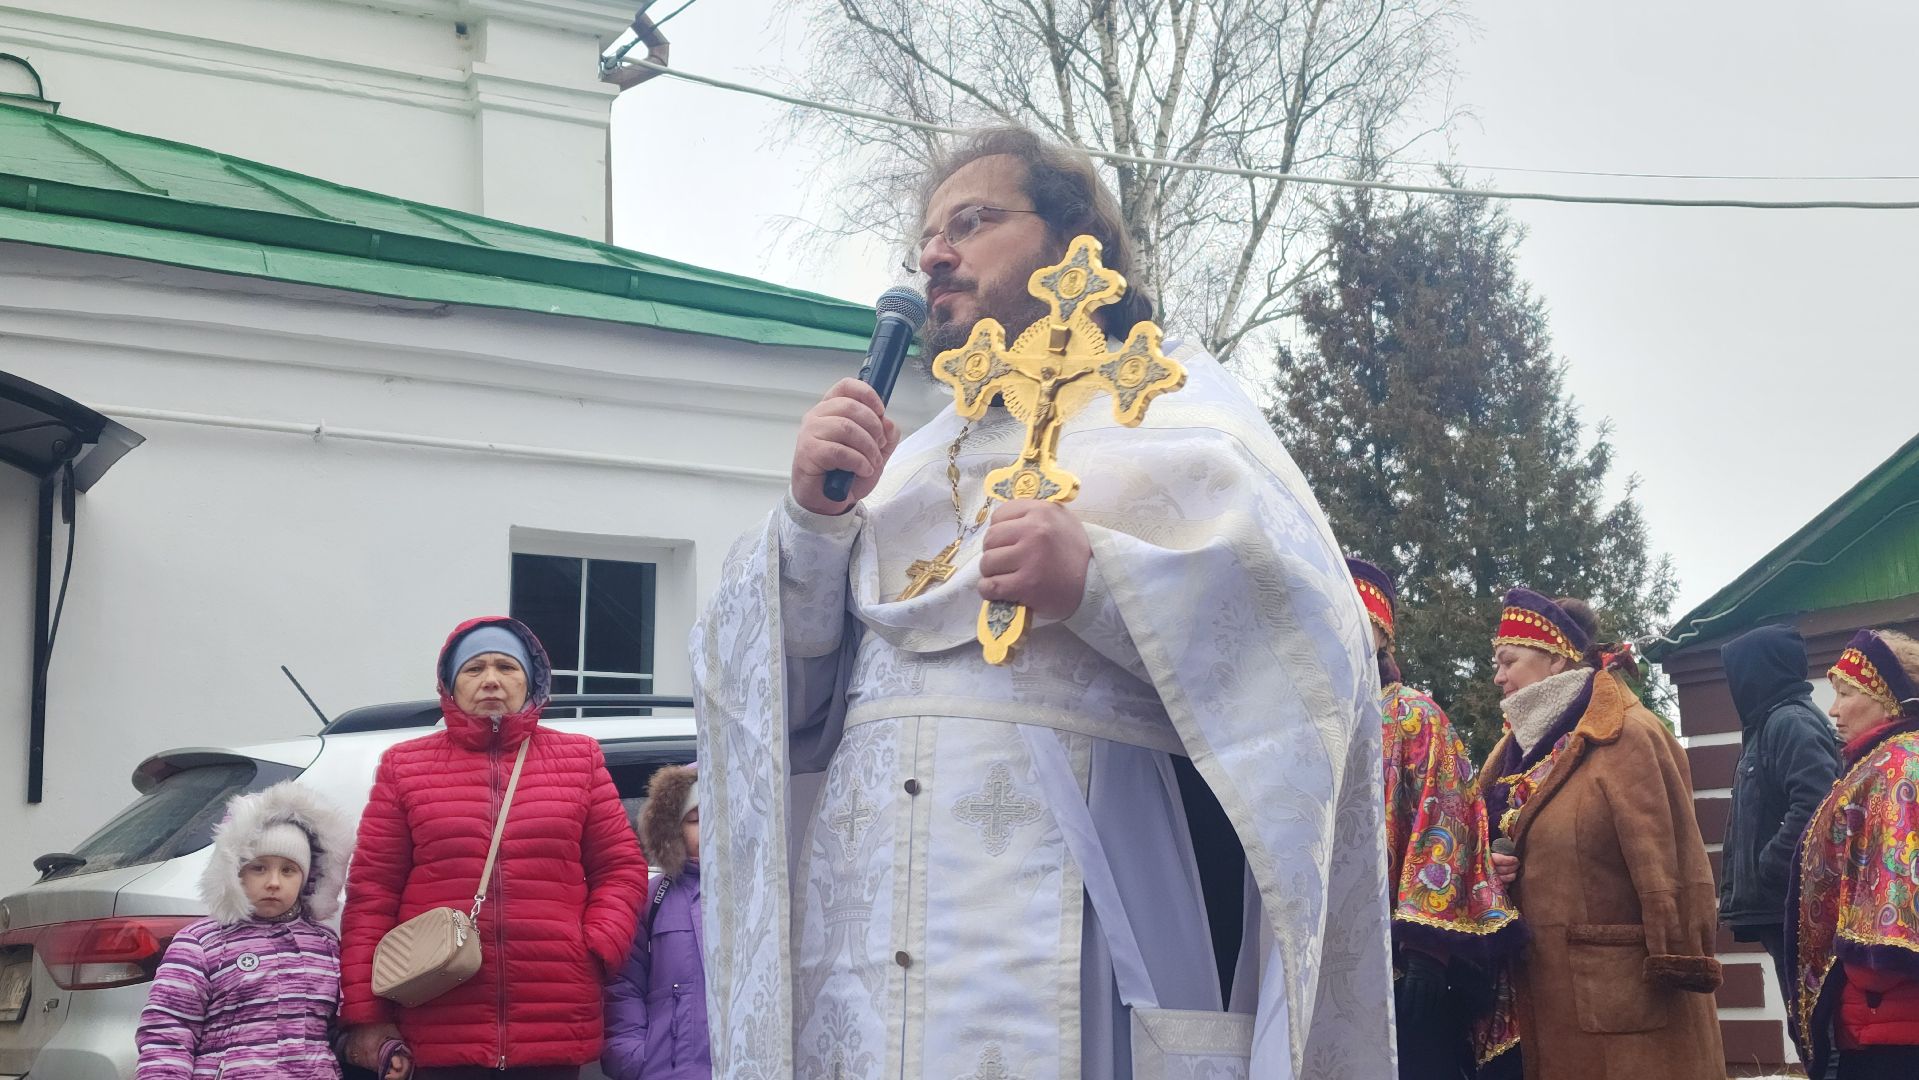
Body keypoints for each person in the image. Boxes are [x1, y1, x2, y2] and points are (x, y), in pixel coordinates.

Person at [693, 125, 1391, 1079]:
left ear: (1075, 246)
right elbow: (790, 709)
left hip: (1071, 909)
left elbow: (1308, 646)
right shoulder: (905, 466)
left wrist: (1101, 584)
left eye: (971, 223)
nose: (935, 254)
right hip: (864, 933)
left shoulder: (1174, 415)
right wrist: (812, 531)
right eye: (926, 240)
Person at [338, 617, 650, 1080]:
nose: (490, 679)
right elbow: (372, 894)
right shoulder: (404, 768)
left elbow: (621, 867)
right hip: (437, 1013)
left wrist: (595, 946)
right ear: (449, 684)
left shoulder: (580, 759)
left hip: (552, 1013)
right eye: (474, 668)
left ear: (531, 681)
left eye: (506, 666)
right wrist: (367, 1015)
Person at [1478, 588, 1724, 1080]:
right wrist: (1488, 865)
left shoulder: (1629, 734)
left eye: (1508, 660)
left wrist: (1680, 956)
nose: (1498, 675)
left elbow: (1671, 863)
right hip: (1530, 992)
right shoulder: (1508, 753)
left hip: (1621, 999)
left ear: (1553, 659)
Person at [1348, 558, 1521, 1080]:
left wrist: (1427, 949)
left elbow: (1449, 821)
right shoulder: (1307, 720)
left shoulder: (1412, 716)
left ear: (1379, 634)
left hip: (1402, 959)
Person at [136, 781, 391, 1078]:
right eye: (259, 868)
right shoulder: (201, 944)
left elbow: (329, 1032)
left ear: (307, 879)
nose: (273, 882)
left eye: (288, 870)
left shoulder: (324, 945)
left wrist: (377, 1052)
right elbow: (168, 1032)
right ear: (235, 871)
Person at [1787, 628, 1919, 1080]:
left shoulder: (1895, 766)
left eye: (1846, 693)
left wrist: (1863, 980)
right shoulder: (1880, 761)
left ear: (1888, 699)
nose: (1833, 709)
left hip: (1887, 1008)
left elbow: (1895, 891)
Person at [1717, 624, 1841, 998]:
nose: (1733, 683)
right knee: (1804, 1022)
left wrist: (1773, 864)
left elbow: (1818, 801)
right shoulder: (1769, 723)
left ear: (1758, 670)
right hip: (1780, 904)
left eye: (1737, 671)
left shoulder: (1790, 723)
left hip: (1795, 904)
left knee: (1814, 1024)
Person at [602, 762, 709, 1080]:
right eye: (697, 819)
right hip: (670, 1068)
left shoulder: (766, 897)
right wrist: (633, 1055)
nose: (711, 829)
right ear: (674, 829)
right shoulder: (654, 898)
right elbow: (623, 983)